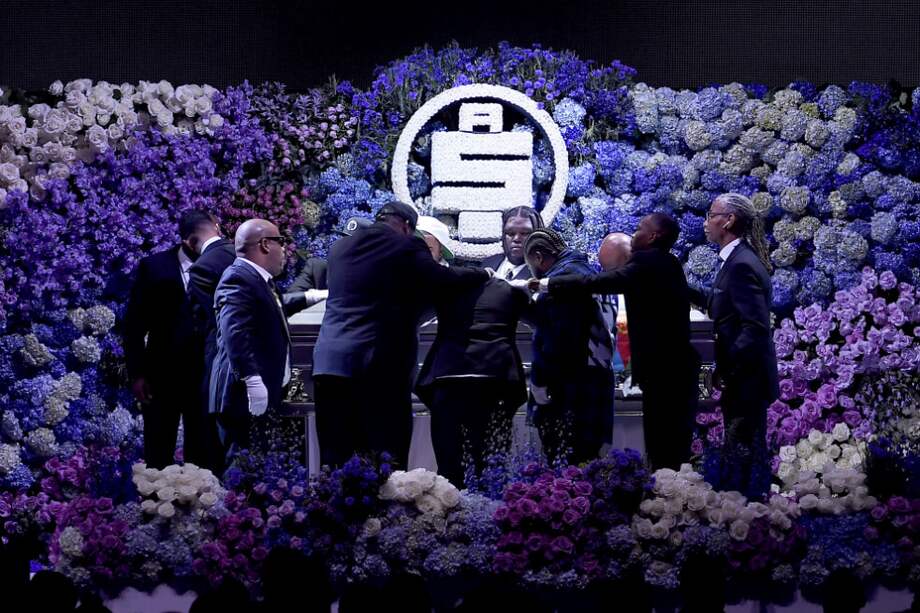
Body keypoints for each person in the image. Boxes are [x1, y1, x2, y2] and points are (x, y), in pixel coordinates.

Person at [312, 201, 489, 469]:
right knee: (385, 456)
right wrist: (482, 273)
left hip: (329, 363)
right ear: (407, 226)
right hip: (375, 369)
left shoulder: (339, 248)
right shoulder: (405, 245)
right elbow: (442, 278)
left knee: (336, 456)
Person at [531, 214, 700, 471]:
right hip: (675, 367)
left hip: (663, 370)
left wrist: (547, 284)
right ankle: (673, 484)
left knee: (663, 444)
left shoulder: (646, 262)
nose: (635, 233)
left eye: (640, 228)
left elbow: (596, 283)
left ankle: (669, 485)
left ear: (653, 236)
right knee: (673, 444)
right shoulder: (669, 262)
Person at [414, 216, 531, 488]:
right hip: (496, 379)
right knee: (492, 464)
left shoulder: (445, 290)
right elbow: (540, 321)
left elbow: (414, 319)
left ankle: (451, 511)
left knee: (449, 468)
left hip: (448, 378)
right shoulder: (509, 290)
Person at [208, 219, 325, 465]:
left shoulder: (255, 278)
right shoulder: (238, 278)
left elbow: (273, 307)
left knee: (256, 464)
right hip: (242, 396)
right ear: (264, 245)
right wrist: (251, 379)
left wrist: (311, 296)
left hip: (255, 393)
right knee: (242, 467)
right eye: (281, 241)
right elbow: (235, 331)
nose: (285, 249)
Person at [688, 192, 778, 499]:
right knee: (743, 454)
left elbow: (754, 328)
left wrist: (725, 367)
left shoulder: (741, 264)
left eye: (711, 215)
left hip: (746, 380)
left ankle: (747, 514)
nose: (706, 223)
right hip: (745, 378)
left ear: (728, 220)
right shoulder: (737, 260)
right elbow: (721, 303)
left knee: (743, 458)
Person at [124, 210, 217, 468]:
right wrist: (137, 374)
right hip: (161, 374)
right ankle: (157, 492)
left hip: (206, 375)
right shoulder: (154, 267)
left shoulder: (222, 265)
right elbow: (134, 325)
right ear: (189, 241)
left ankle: (203, 492)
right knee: (158, 449)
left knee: (204, 452)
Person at [522, 228, 614, 466]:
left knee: (565, 465)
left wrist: (539, 383)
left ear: (539, 257)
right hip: (594, 381)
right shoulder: (585, 271)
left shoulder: (559, 282)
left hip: (568, 387)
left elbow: (555, 338)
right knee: (587, 463)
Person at [482, 206, 545, 281]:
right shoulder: (488, 263)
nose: (516, 239)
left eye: (524, 233)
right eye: (510, 233)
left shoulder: (546, 272)